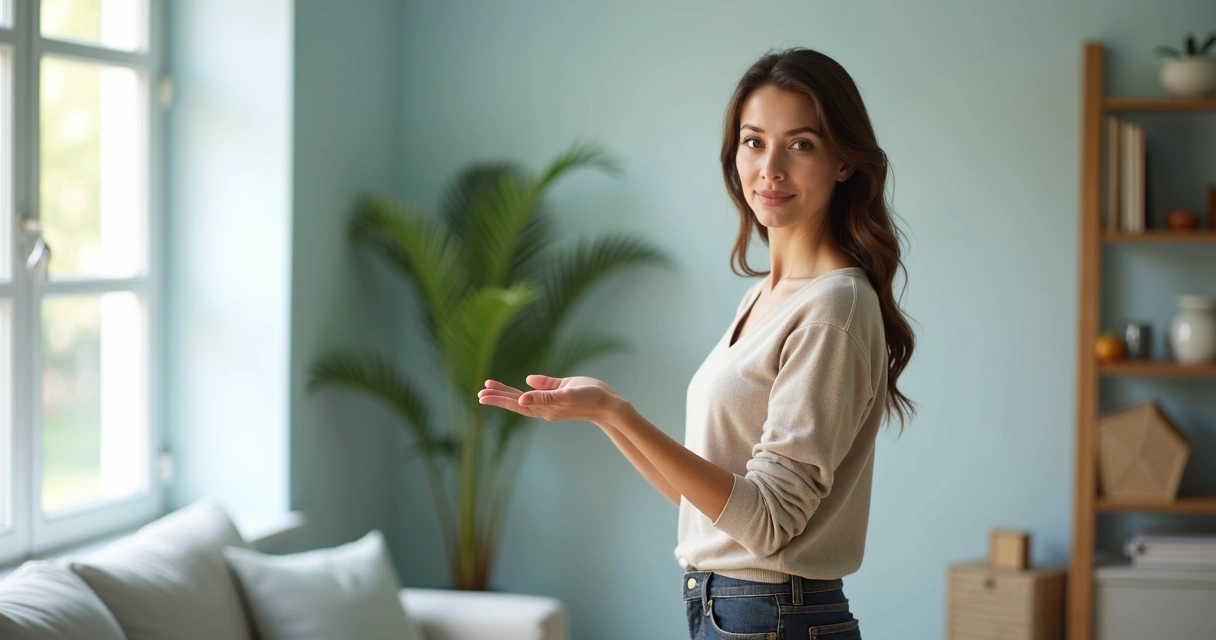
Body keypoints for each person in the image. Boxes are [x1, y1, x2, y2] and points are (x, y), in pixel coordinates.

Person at [478, 46, 915, 640]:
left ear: (844, 162)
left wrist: (619, 412)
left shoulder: (832, 308)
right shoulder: (764, 297)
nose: (771, 169)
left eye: (801, 144)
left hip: (768, 615)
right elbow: (713, 509)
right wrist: (607, 415)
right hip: (734, 610)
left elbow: (767, 523)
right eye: (754, 141)